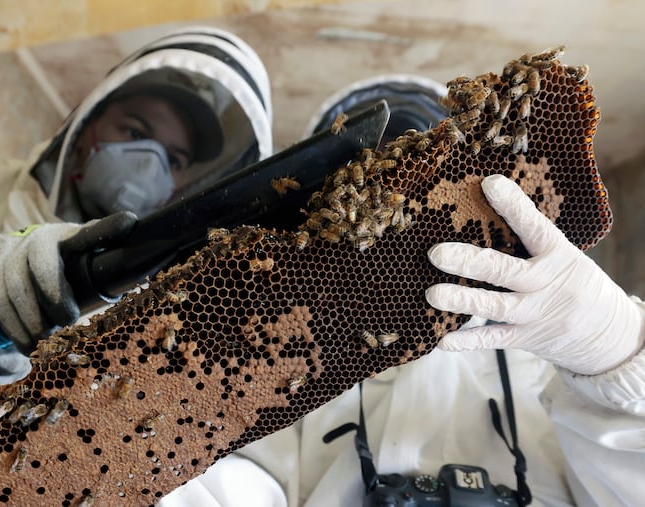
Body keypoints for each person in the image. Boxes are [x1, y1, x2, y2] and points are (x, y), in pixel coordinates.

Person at [157, 76, 645, 506]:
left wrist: (617, 356)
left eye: (423, 185)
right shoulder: (289, 356)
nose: (396, 209)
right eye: (364, 190)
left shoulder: (545, 363)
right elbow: (241, 484)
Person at [0, 25, 273, 427]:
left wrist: (26, 406)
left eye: (173, 160)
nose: (148, 165)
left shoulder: (171, 299)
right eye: (136, 132)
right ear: (88, 124)